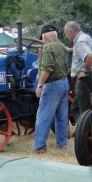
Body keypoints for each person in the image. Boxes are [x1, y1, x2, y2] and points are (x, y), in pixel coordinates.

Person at [32, 24, 70, 153]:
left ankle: (40, 147)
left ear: (44, 36)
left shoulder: (47, 47)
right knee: (62, 117)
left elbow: (47, 69)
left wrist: (40, 85)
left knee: (43, 117)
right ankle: (62, 145)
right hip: (64, 83)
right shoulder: (62, 46)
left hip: (52, 85)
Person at [63, 20, 92, 117]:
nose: (66, 36)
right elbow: (81, 49)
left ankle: (87, 130)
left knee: (84, 111)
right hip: (90, 77)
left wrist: (85, 72)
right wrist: (69, 49)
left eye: (66, 34)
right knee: (76, 107)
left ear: (71, 32)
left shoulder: (80, 42)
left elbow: (89, 56)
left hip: (84, 79)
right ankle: (86, 129)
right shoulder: (86, 37)